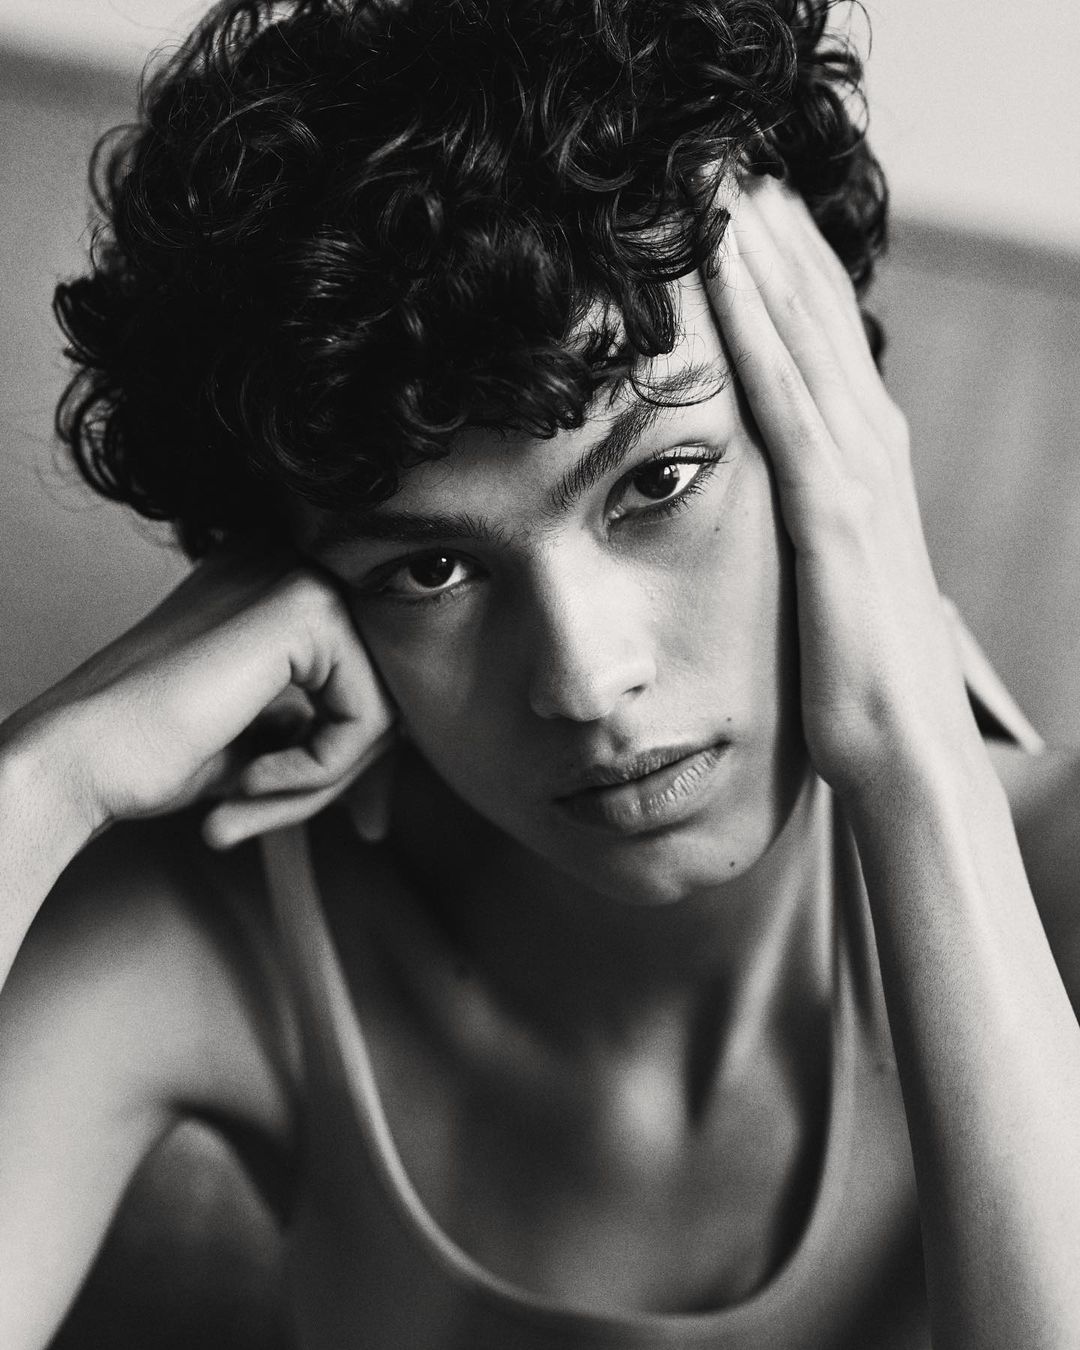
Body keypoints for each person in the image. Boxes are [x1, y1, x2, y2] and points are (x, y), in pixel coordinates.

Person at [1, 0, 1079, 1346]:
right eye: (430, 569)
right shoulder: (218, 913)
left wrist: (915, 750)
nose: (583, 676)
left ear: (836, 433)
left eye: (661, 481)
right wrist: (44, 779)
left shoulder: (1056, 881)